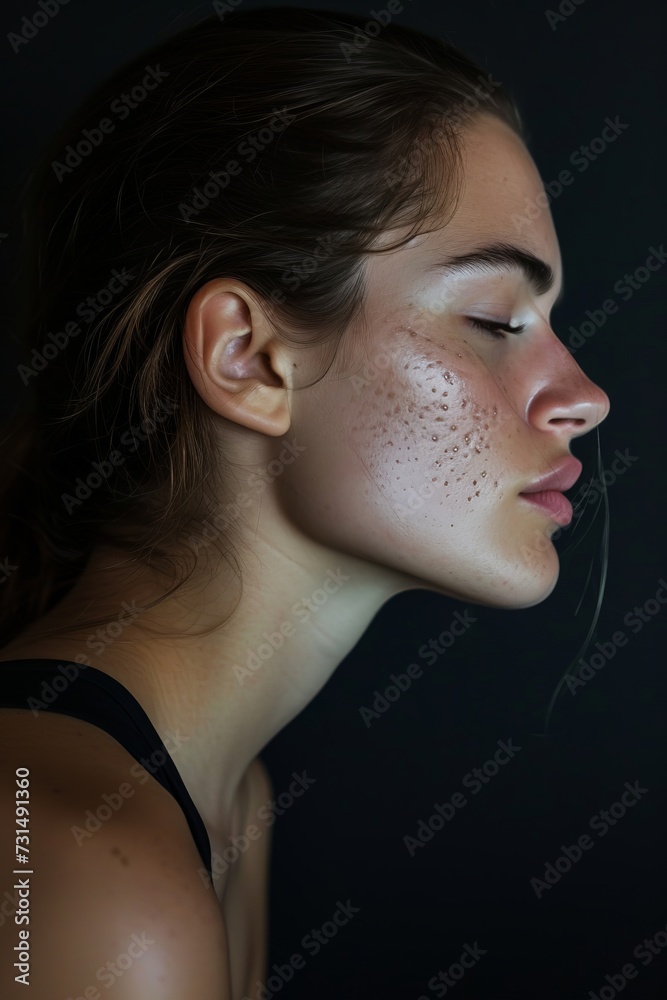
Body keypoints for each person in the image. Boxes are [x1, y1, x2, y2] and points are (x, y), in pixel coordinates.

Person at [0, 7, 609, 997]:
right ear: (248, 357)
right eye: (496, 317)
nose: (584, 396)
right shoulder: (78, 861)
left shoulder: (234, 802)